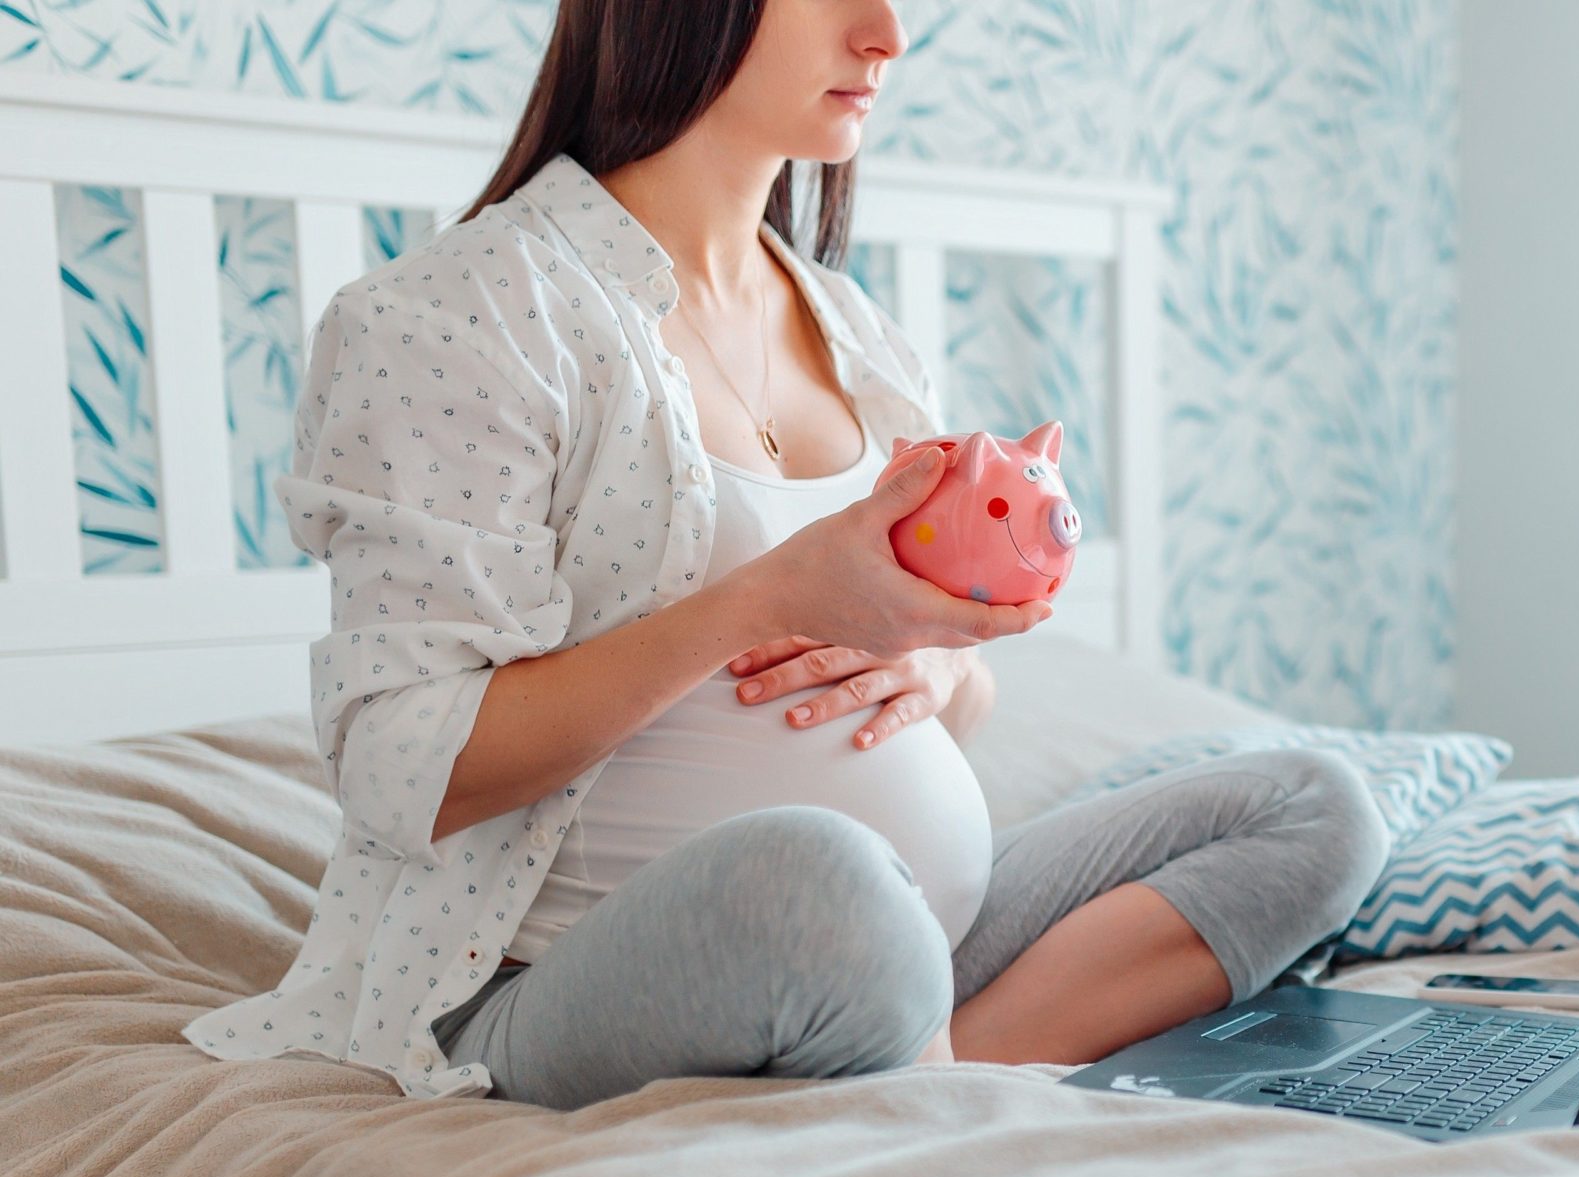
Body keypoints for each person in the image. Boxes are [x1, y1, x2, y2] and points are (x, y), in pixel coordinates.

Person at [179, 0, 1392, 1109]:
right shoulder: (466, 315)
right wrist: (757, 603)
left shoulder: (857, 335)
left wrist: (930, 669)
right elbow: (398, 767)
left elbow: (950, 696)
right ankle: (931, 1052)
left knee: (1316, 805)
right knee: (826, 884)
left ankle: (940, 1063)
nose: (886, 36)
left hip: (914, 927)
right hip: (606, 962)